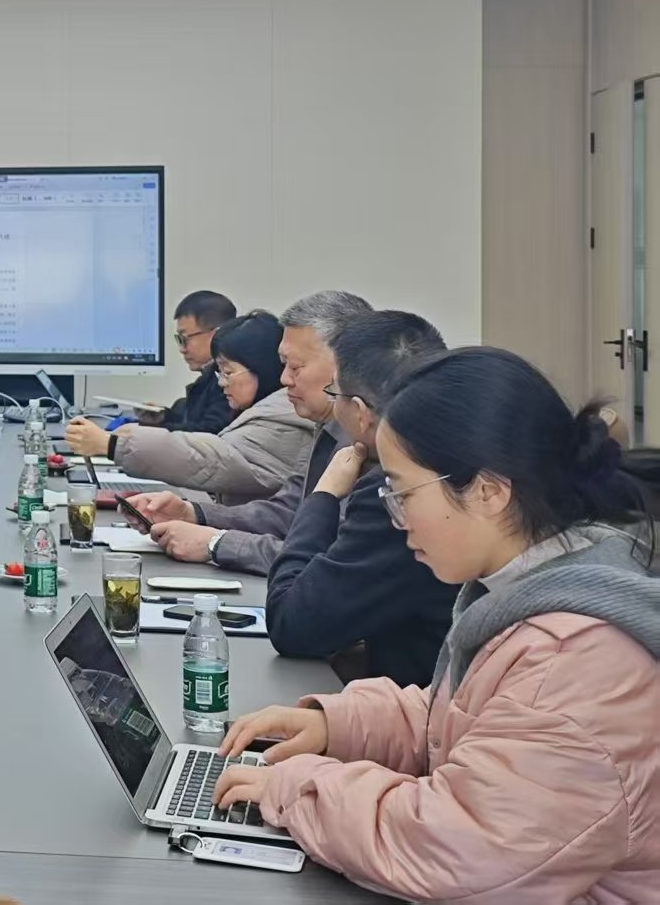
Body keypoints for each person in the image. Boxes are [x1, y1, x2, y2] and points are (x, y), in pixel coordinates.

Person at [215, 348, 660, 903]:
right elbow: (472, 723)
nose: (397, 518)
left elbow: (459, 852)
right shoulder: (534, 589)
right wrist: (338, 726)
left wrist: (296, 787)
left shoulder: (577, 660)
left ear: (488, 491)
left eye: (403, 493)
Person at [262, 310, 458, 685]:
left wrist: (325, 494)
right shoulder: (459, 458)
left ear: (362, 412)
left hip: (417, 706)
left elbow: (292, 623)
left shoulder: (396, 491)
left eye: (336, 394)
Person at [127, 289, 372, 571]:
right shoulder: (329, 428)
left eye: (295, 367)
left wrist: (216, 543)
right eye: (284, 366)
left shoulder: (372, 440)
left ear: (345, 366)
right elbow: (288, 512)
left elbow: (331, 560)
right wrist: (194, 514)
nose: (284, 379)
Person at [66, 311, 312, 503]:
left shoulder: (282, 421)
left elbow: (209, 459)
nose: (222, 383)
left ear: (262, 368)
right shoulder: (266, 410)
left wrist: (113, 444)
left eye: (228, 372)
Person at [135, 290, 237, 434]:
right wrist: (164, 417)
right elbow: (197, 421)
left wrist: (154, 432)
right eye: (179, 340)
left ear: (216, 335)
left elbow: (210, 432)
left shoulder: (229, 381)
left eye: (185, 339)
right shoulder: (208, 377)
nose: (182, 349)